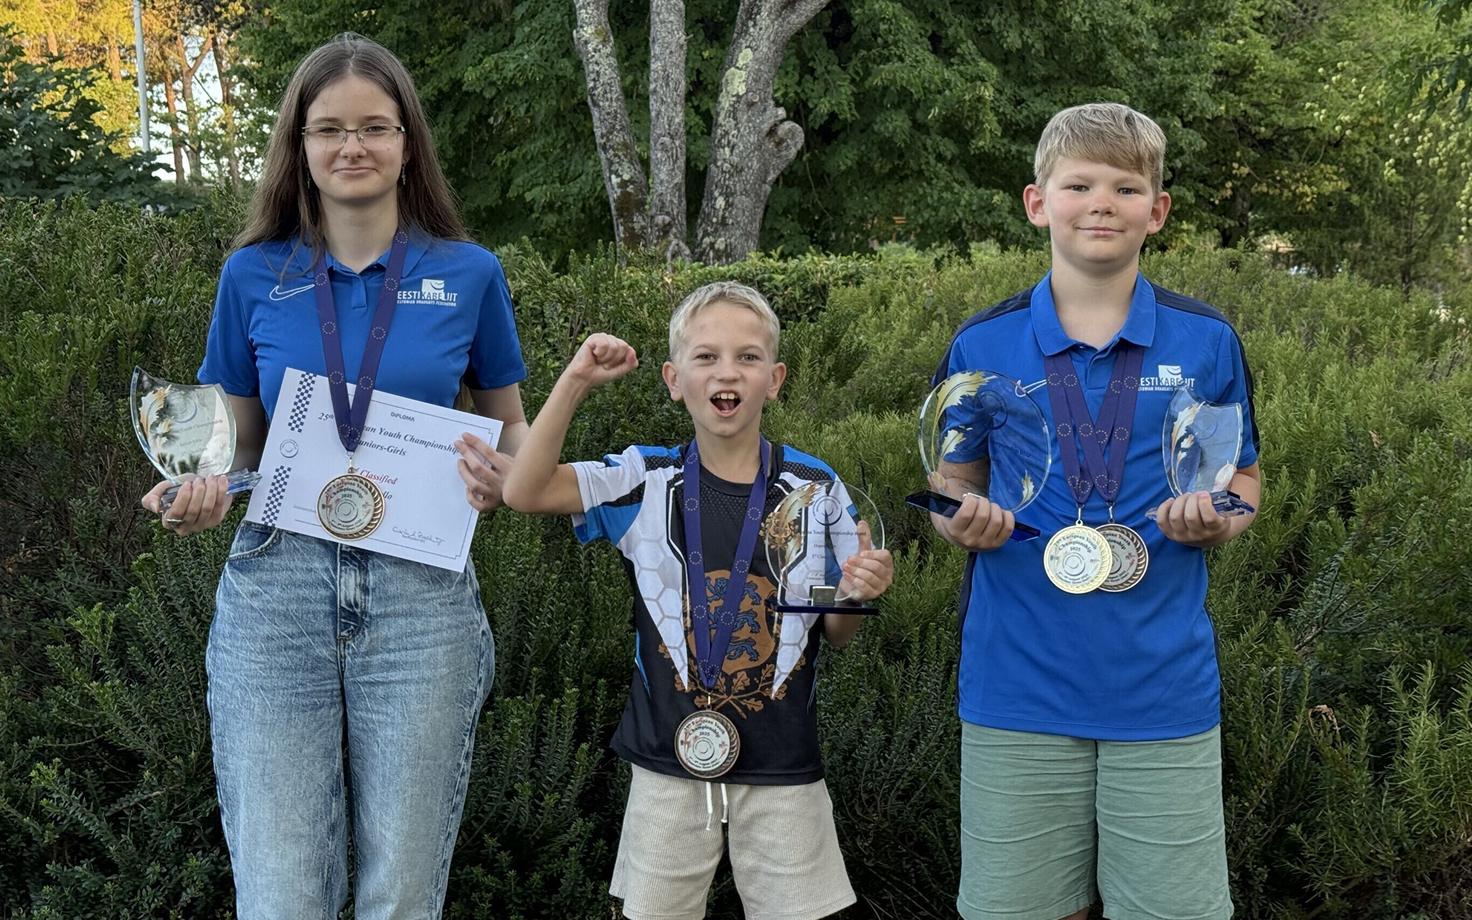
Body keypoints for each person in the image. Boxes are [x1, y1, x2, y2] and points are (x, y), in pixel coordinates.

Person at [139, 33, 527, 919]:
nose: (353, 146)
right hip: (277, 592)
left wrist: (506, 474)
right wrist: (198, 489)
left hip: (421, 598)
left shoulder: (468, 274)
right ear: (300, 148)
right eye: (329, 130)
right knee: (281, 894)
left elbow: (511, 427)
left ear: (406, 143)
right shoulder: (252, 275)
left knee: (401, 897)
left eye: (374, 127)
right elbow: (234, 444)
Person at [931, 102, 1261, 920]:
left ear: (1159, 211)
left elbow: (1240, 481)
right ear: (1038, 202)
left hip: (1162, 689)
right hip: (1017, 687)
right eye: (1079, 184)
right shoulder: (983, 345)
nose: (1102, 201)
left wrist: (1218, 517)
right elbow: (951, 485)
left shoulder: (1205, 341)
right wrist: (960, 520)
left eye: (1126, 185)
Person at [502, 281, 893, 920]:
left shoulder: (817, 490)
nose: (727, 371)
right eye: (705, 357)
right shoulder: (644, 478)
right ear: (673, 378)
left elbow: (835, 625)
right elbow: (524, 490)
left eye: (747, 356)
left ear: (776, 378)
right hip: (666, 764)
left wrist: (855, 591)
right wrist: (574, 380)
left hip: (782, 765)